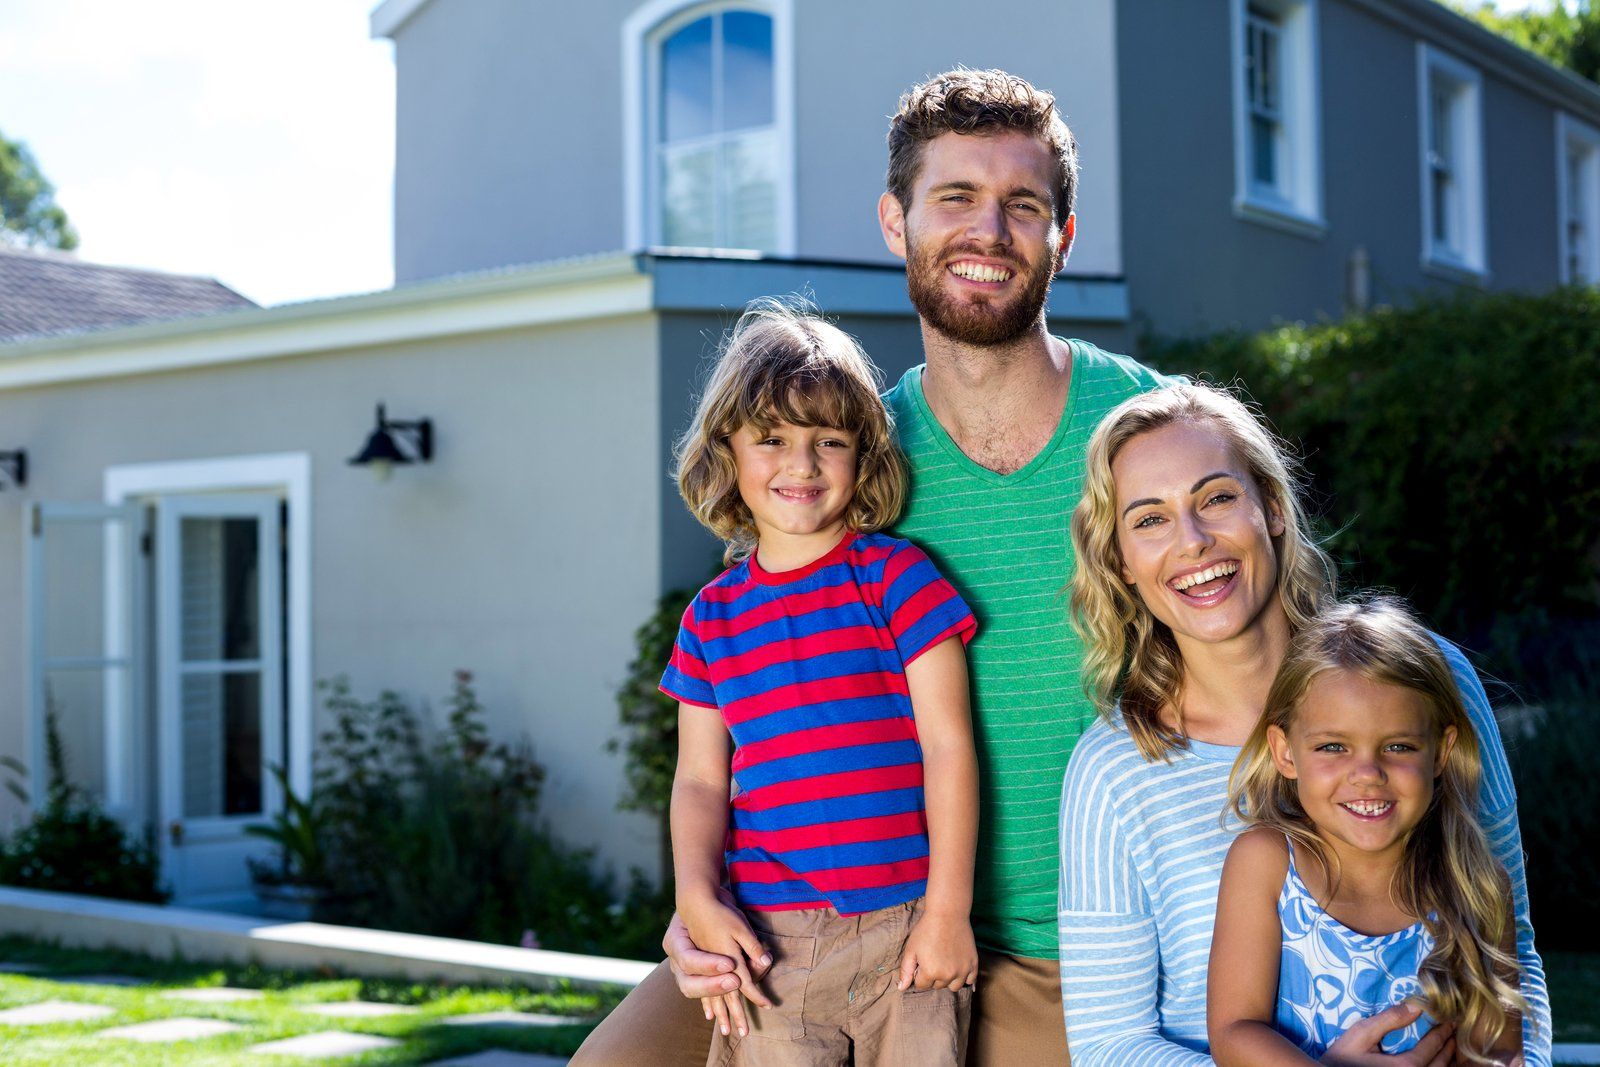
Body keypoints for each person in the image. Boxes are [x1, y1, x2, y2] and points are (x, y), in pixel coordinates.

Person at [572, 68, 1170, 1065]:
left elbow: (1287, 656)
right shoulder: (841, 449)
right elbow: (748, 709)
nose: (987, 231)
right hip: (796, 918)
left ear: (1064, 235)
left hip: (1054, 940)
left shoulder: (1152, 437)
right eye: (954, 199)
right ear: (895, 222)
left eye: (1021, 206)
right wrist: (696, 898)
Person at [1058, 382, 1550, 1066]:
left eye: (1217, 498)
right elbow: (1111, 1045)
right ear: (1119, 562)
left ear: (1274, 508)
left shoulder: (1425, 679)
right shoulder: (1112, 768)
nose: (1194, 541)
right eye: (1150, 519)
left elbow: (1511, 946)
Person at [662, 299, 980, 1064]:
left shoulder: (897, 578)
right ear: (728, 452)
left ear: (861, 454)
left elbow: (948, 747)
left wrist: (948, 909)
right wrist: (695, 897)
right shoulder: (711, 619)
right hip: (773, 943)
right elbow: (701, 781)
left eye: (827, 440)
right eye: (771, 439)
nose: (801, 465)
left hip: (909, 931)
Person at [1208, 597, 1527, 1066]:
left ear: (1440, 752)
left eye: (1397, 746)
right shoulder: (1268, 863)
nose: (1368, 773)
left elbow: (1500, 1048)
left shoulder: (1476, 885)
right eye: (1333, 746)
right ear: (1285, 752)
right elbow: (1234, 1033)